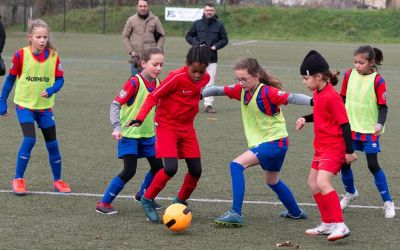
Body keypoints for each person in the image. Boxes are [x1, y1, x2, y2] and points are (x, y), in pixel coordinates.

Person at [201, 58, 310, 227]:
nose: (240, 83)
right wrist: (197, 95)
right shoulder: (241, 90)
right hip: (272, 143)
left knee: (236, 165)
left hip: (274, 143)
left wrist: (314, 101)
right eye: (238, 79)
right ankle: (295, 212)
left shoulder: (267, 92)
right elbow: (216, 89)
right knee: (272, 181)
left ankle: (236, 212)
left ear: (257, 76)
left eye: (244, 79)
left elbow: (293, 97)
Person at [127, 45, 211, 223]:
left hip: (187, 128)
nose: (197, 75)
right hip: (166, 126)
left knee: (196, 170)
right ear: (187, 64)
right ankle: (147, 199)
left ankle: (179, 201)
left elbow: (196, 94)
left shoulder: (206, 78)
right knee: (171, 168)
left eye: (201, 71)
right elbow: (153, 97)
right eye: (194, 71)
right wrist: (140, 118)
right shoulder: (176, 77)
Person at [0, 19, 71, 195]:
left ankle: (58, 181)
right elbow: (10, 80)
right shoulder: (21, 55)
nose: (42, 40)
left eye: (45, 37)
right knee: (29, 139)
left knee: (53, 144)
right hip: (24, 106)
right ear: (30, 37)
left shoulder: (54, 56)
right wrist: (2, 101)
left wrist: (52, 89)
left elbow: (60, 79)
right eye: (38, 37)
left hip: (45, 108)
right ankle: (18, 179)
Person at [296, 50, 357, 241]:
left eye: (306, 78)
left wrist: (349, 152)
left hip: (334, 147)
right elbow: (321, 114)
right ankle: (328, 224)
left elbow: (345, 123)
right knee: (313, 184)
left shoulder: (332, 96)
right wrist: (305, 118)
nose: (304, 82)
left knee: (322, 182)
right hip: (321, 146)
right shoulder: (318, 92)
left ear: (318, 76)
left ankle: (341, 225)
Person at [95, 48, 165, 215]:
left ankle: (143, 194)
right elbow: (115, 104)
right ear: (143, 64)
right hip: (129, 135)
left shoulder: (159, 83)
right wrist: (116, 127)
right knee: (129, 171)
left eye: (161, 65)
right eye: (155, 64)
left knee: (158, 168)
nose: (158, 68)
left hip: (148, 135)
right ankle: (103, 203)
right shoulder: (134, 82)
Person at [338, 45, 395, 218]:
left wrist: (379, 124)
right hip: (349, 127)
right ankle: (350, 193)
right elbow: (342, 98)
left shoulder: (378, 80)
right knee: (344, 162)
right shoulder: (349, 74)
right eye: (355, 62)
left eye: (361, 63)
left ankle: (388, 202)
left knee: (372, 165)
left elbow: (383, 107)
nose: (357, 65)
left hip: (370, 130)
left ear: (371, 62)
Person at [185, 1, 228, 114]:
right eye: (207, 10)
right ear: (204, 11)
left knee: (210, 82)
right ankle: (190, 104)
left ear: (214, 11)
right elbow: (189, 36)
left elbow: (224, 40)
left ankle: (208, 105)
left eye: (211, 10)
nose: (209, 12)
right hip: (196, 58)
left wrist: (215, 47)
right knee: (192, 80)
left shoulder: (219, 25)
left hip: (211, 58)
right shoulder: (197, 23)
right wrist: (196, 44)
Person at [122, 0, 165, 76]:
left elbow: (162, 36)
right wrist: (131, 51)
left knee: (150, 83)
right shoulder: (131, 20)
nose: (142, 8)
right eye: (140, 6)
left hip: (151, 59)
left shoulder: (155, 20)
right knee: (135, 82)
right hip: (137, 58)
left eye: (145, 6)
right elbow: (125, 36)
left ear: (148, 7)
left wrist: (157, 49)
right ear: (137, 7)